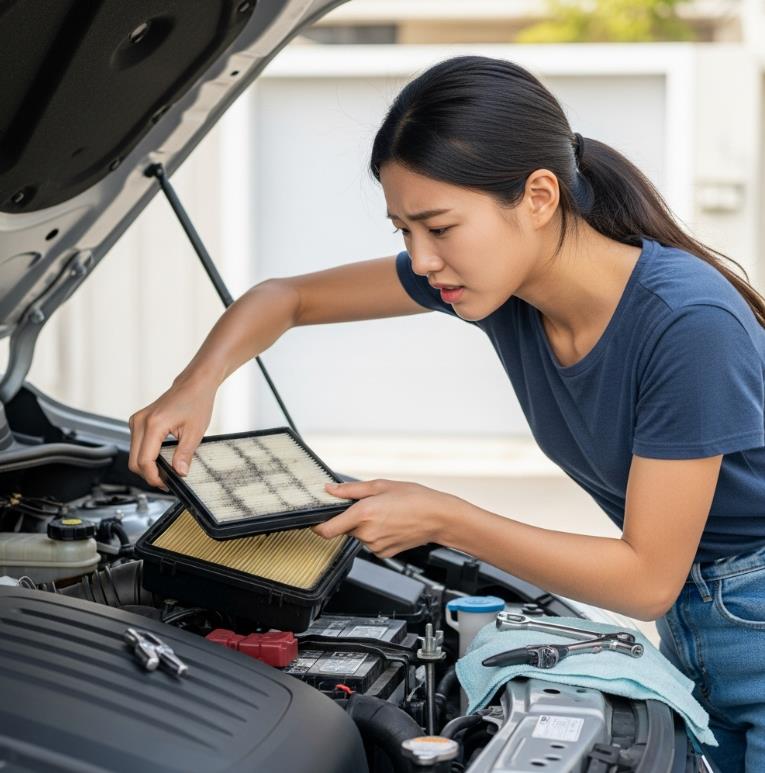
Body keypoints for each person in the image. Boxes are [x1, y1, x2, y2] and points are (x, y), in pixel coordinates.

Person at [128, 56, 765, 770]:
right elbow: (286, 297)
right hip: (698, 622)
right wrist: (198, 381)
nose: (421, 259)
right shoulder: (502, 285)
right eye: (403, 230)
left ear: (538, 195)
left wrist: (444, 517)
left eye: (437, 226)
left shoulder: (685, 322)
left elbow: (645, 575)